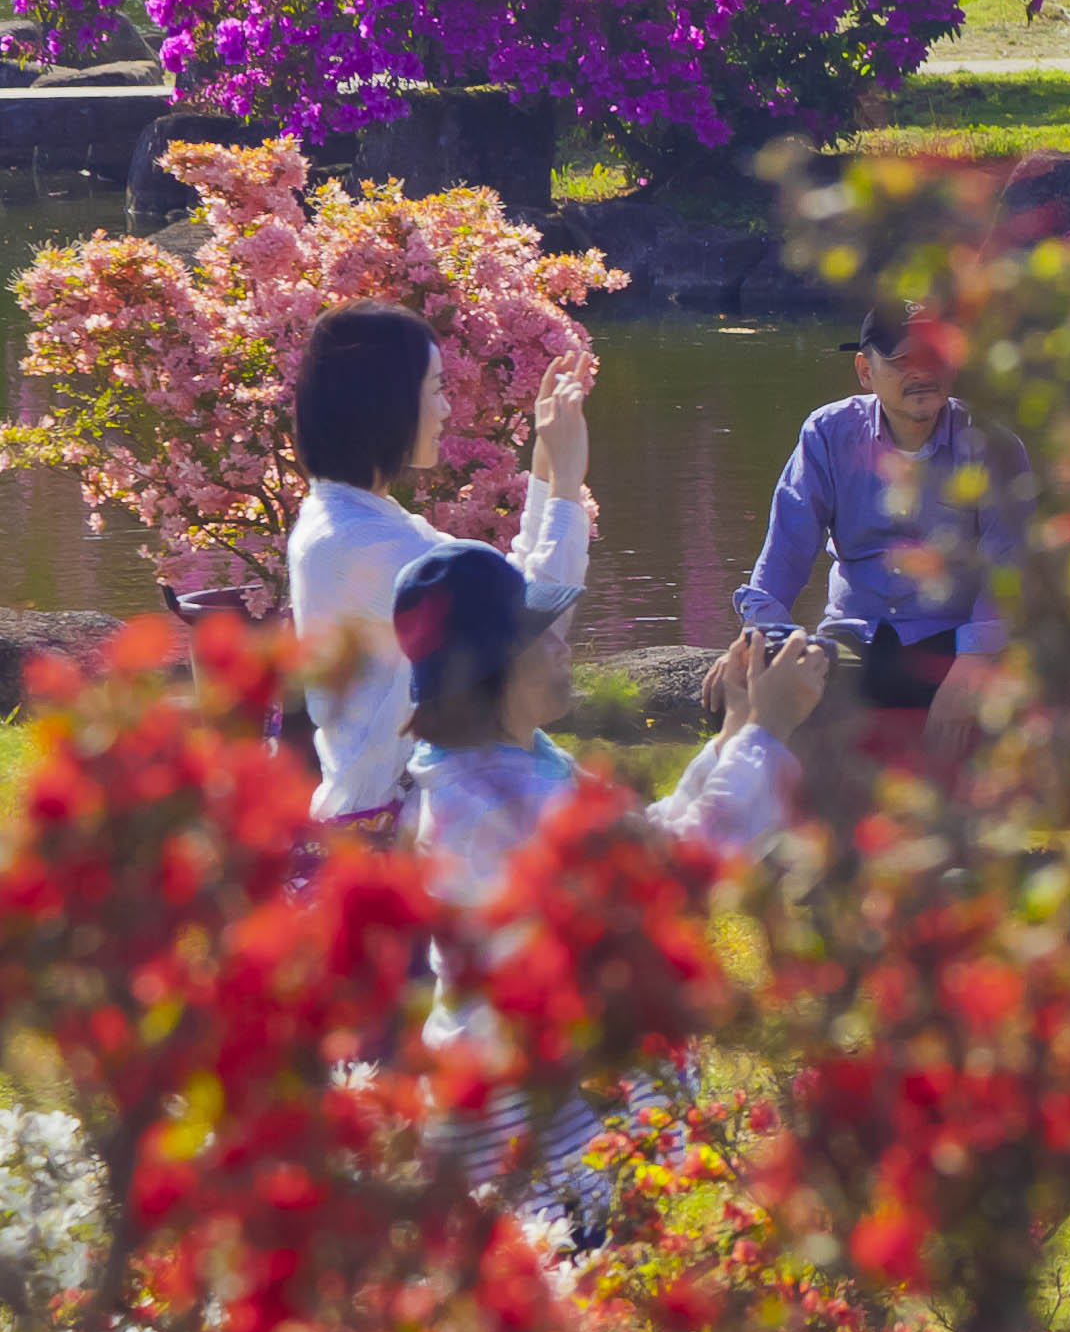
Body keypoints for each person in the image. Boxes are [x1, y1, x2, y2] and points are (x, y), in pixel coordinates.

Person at [393, 539, 827, 1221]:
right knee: (570, 1290)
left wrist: (737, 726)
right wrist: (768, 732)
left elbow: (641, 835)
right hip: (528, 1133)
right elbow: (661, 878)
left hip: (558, 1100)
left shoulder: (513, 761)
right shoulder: (487, 805)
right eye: (540, 637)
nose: (564, 647)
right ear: (491, 670)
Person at [285, 303, 596, 831]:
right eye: (434, 389)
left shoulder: (355, 516)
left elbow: (504, 593)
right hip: (400, 823)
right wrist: (565, 485)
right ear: (387, 403)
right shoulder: (357, 541)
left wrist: (546, 463)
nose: (447, 408)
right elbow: (528, 627)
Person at [734, 307, 1029, 738]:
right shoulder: (828, 433)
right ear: (864, 371)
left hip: (955, 640)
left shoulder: (993, 446)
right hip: (854, 638)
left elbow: (1010, 569)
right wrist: (758, 635)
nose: (921, 373)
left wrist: (973, 662)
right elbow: (787, 549)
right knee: (759, 695)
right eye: (900, 361)